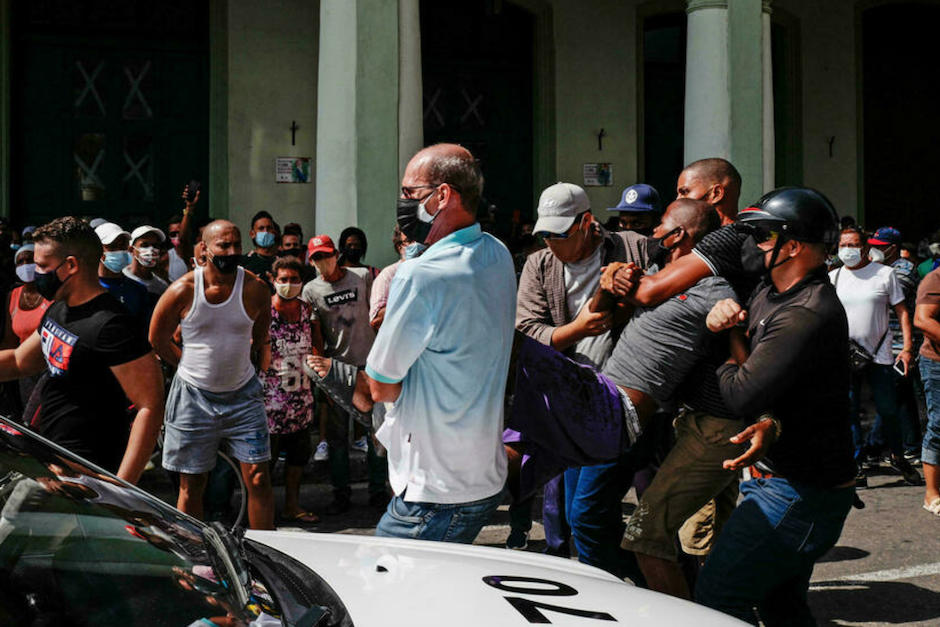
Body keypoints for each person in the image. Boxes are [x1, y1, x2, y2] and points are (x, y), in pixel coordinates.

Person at [693, 187, 857, 625]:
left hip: (798, 493)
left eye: (765, 236)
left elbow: (741, 393)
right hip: (784, 482)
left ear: (795, 246)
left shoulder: (807, 311)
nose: (753, 244)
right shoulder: (772, 289)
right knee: (781, 605)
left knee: (715, 598)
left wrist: (726, 335)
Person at [364, 143, 516, 543]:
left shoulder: (421, 276)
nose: (402, 203)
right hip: (482, 477)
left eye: (409, 194)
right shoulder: (497, 255)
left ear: (443, 195)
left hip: (433, 491)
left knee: (386, 596)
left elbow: (380, 384)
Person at [512, 181, 649, 561]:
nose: (551, 244)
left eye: (560, 235)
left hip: (625, 395)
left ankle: (633, 583)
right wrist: (577, 329)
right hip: (570, 399)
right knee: (573, 509)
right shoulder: (540, 265)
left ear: (587, 222)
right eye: (544, 236)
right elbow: (526, 329)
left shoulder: (630, 247)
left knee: (590, 512)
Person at [0, 217, 164, 483]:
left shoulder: (111, 324)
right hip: (53, 461)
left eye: (43, 266)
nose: (36, 273)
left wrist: (121, 490)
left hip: (90, 473)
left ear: (71, 266)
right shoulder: (59, 308)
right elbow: (21, 361)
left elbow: (150, 405)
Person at [149, 219, 275, 530]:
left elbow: (260, 333)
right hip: (193, 397)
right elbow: (157, 338)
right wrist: (184, 363)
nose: (231, 252)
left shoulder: (255, 289)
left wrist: (249, 359)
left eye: (236, 245)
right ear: (204, 249)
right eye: (223, 245)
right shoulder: (184, 289)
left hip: (243, 395)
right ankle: (196, 558)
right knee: (192, 484)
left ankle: (267, 555)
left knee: (259, 478)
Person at [830, 226, 921, 486]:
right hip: (844, 357)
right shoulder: (833, 277)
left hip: (880, 355)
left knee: (888, 410)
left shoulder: (884, 274)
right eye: (843, 245)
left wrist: (906, 348)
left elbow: (902, 311)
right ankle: (856, 464)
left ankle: (897, 455)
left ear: (865, 247)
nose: (848, 250)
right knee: (849, 412)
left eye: (854, 244)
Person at [301, 234, 385, 514]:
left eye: (325, 255)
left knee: (377, 432)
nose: (322, 262)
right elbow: (314, 334)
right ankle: (341, 493)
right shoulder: (311, 290)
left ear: (335, 254)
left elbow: (378, 314)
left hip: (369, 365)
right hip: (337, 369)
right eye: (316, 258)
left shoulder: (361, 277)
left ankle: (378, 490)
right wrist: (322, 373)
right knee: (338, 437)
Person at [259, 256, 318, 524]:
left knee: (297, 458)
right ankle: (263, 510)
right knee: (265, 463)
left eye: (295, 280)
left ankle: (292, 505)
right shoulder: (263, 312)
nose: (289, 284)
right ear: (273, 280)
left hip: (301, 397)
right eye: (283, 279)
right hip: (268, 401)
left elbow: (318, 347)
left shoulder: (307, 311)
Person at [866, 226, 922, 462]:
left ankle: (872, 447)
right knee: (903, 396)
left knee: (890, 394)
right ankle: (912, 446)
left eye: (879, 247)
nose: (873, 251)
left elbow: (884, 298)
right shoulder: (883, 269)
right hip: (885, 343)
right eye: (872, 246)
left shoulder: (903, 271)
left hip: (901, 344)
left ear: (893, 249)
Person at [4, 244, 52, 411]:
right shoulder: (13, 296)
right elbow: (9, 340)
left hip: (49, 368)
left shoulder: (51, 293)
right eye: (20, 262)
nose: (25, 265)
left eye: (30, 260)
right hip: (24, 370)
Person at [915, 267, 940, 516]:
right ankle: (931, 493)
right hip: (937, 363)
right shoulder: (935, 279)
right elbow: (922, 319)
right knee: (939, 425)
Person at [94, 222, 151, 324]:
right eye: (113, 246)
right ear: (97, 249)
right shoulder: (88, 288)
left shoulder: (139, 290)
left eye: (123, 245)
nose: (119, 250)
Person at [124, 225, 169, 297]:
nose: (151, 249)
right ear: (131, 250)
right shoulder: (121, 279)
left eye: (155, 245)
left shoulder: (161, 287)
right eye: (145, 245)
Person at [241, 211, 279, 286]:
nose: (266, 232)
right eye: (261, 228)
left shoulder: (282, 262)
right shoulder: (244, 263)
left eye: (269, 228)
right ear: (252, 234)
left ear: (274, 232)